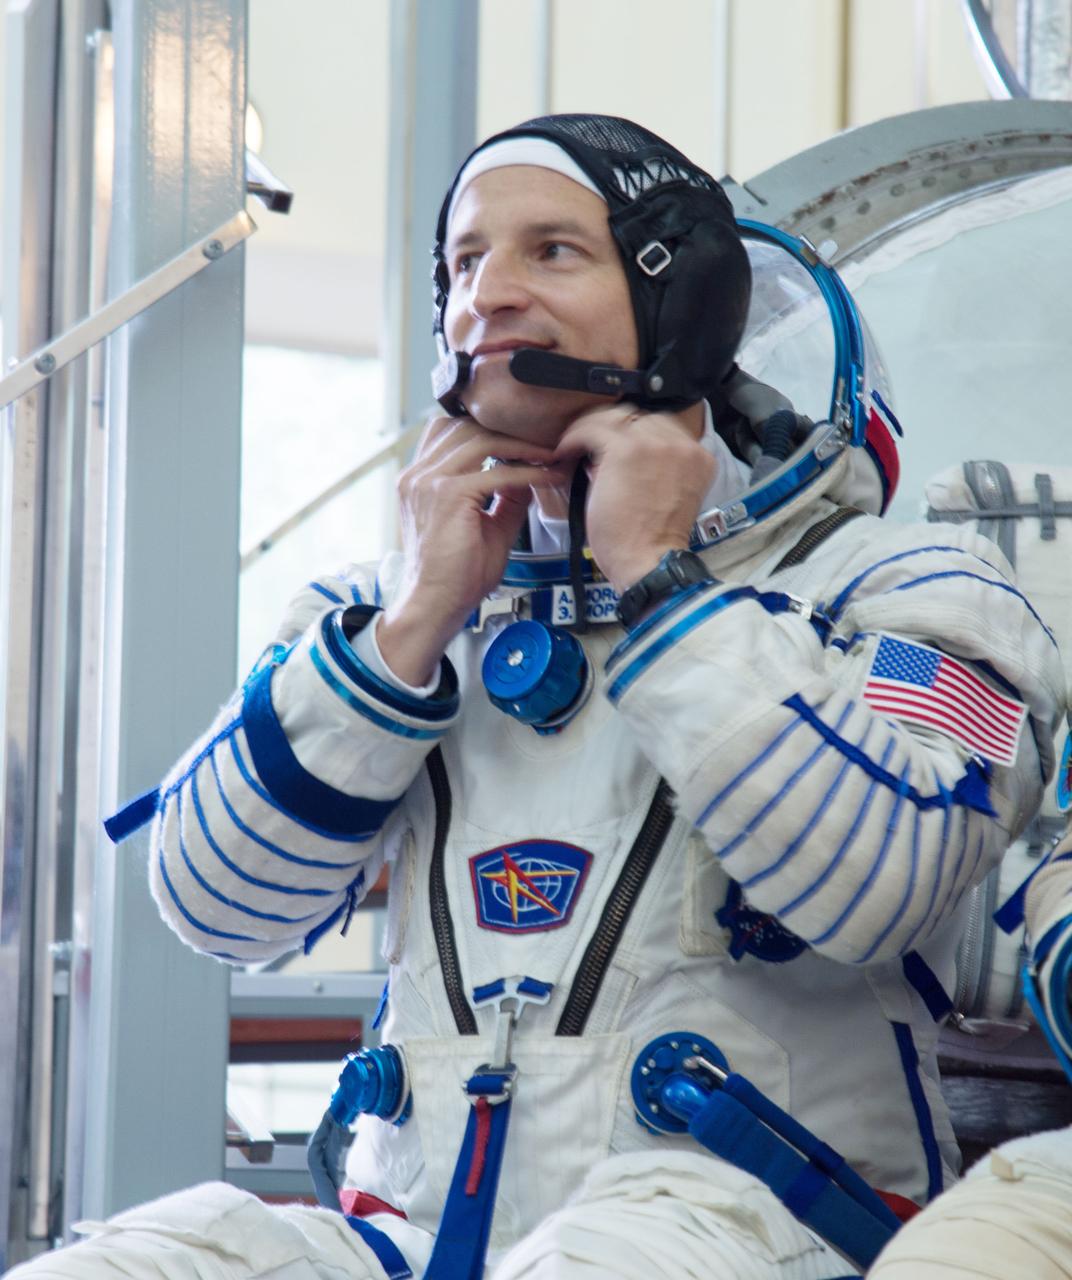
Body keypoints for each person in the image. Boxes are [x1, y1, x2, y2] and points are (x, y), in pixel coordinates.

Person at [10, 113, 1064, 1280]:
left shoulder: (897, 586)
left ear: (688, 300)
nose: (487, 297)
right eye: (465, 263)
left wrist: (659, 582)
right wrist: (411, 627)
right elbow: (216, 904)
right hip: (410, 1237)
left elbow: (876, 878)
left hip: (755, 1228)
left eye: (551, 252)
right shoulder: (383, 610)